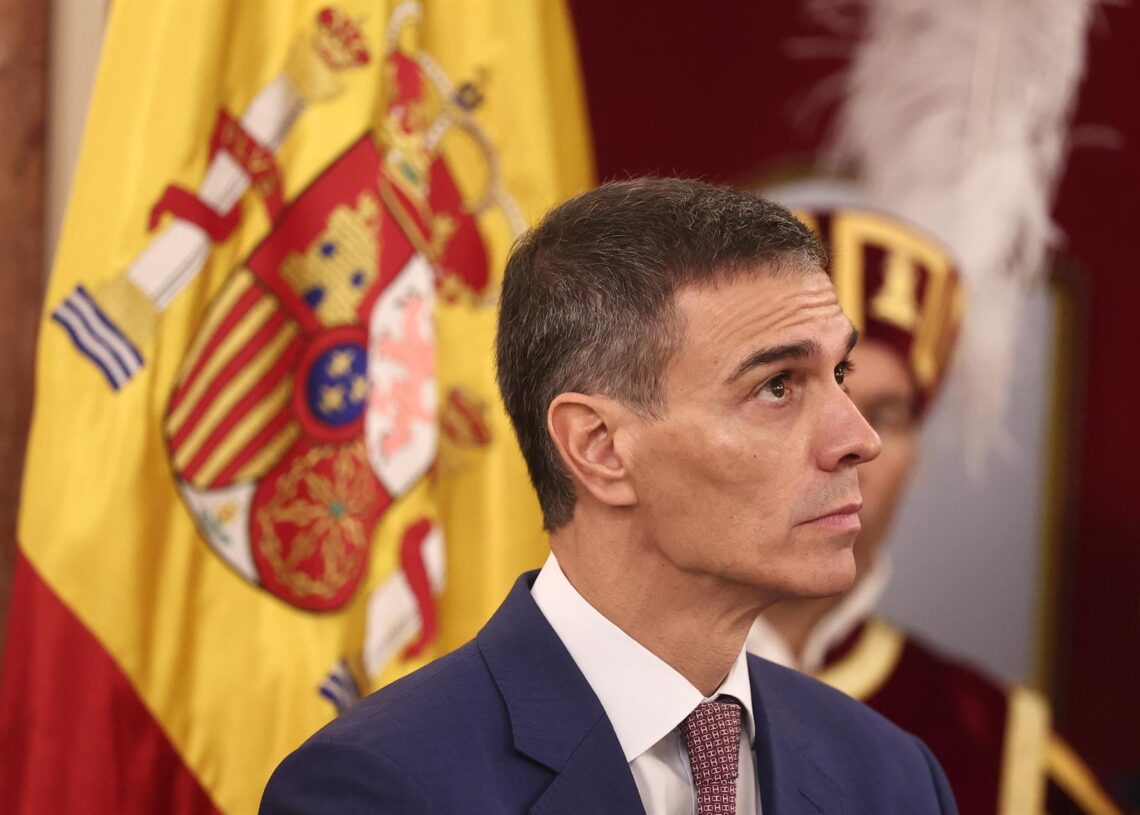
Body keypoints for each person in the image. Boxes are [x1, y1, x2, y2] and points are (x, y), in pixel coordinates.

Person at [260, 178, 958, 814]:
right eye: (777, 386)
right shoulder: (379, 788)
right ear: (598, 447)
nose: (858, 438)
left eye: (839, 371)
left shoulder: (894, 778)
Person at [747, 202, 1121, 815]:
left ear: (917, 456)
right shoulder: (582, 688)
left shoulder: (998, 749)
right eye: (786, 393)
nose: (850, 442)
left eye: (887, 413)